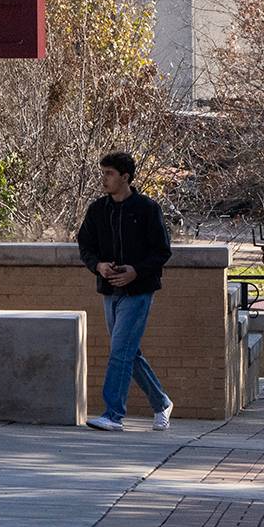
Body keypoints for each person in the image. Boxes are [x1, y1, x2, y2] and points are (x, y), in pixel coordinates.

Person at [74, 150, 174, 433]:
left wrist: (135, 271)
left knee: (119, 351)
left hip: (138, 291)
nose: (104, 179)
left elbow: (162, 251)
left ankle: (113, 414)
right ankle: (161, 402)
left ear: (125, 177)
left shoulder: (146, 208)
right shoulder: (97, 210)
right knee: (128, 352)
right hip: (109, 290)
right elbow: (85, 247)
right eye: (103, 172)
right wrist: (99, 266)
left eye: (109, 173)